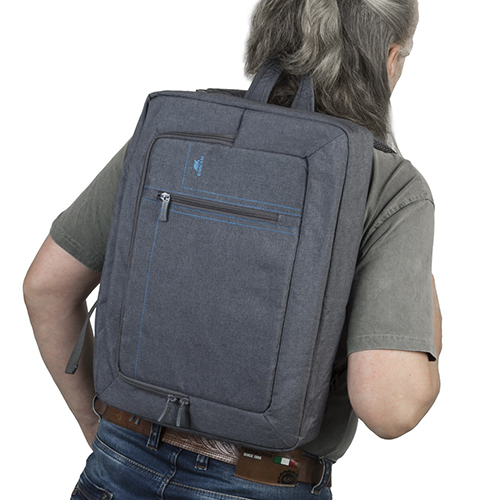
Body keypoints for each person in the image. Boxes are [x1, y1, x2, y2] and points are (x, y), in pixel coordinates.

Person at [23, 0, 442, 498]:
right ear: (389, 58)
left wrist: (99, 429)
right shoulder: (386, 184)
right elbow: (391, 407)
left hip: (118, 463)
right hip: (262, 481)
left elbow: (46, 288)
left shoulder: (178, 132)